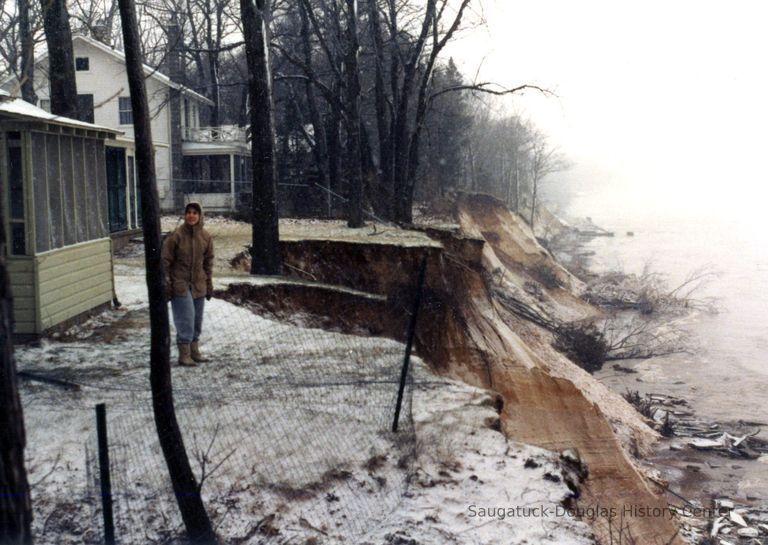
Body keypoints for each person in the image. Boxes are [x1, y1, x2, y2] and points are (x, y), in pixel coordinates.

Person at [161, 202, 214, 366]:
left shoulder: (205, 237)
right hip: (180, 284)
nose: (191, 216)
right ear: (185, 215)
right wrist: (168, 283)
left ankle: (194, 351)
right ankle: (184, 354)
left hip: (198, 285)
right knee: (186, 318)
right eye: (188, 212)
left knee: (197, 320)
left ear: (200, 216)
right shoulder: (176, 236)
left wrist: (208, 283)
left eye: (195, 213)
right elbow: (165, 260)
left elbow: (208, 262)